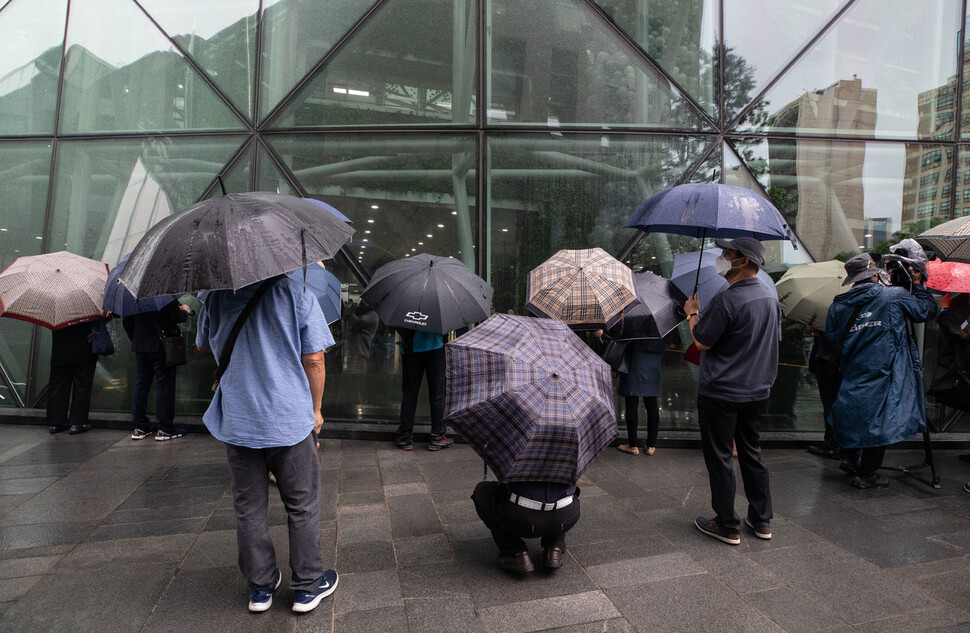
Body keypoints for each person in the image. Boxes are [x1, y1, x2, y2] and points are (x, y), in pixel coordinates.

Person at [196, 275, 338, 613]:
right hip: (287, 417)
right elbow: (315, 359)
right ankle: (306, 586)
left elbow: (202, 346)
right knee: (301, 503)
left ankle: (260, 587)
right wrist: (316, 410)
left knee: (249, 507)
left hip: (240, 417)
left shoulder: (214, 297)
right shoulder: (297, 292)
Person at [683, 236, 780, 545]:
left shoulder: (727, 300)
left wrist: (692, 313)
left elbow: (702, 341)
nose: (721, 258)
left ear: (744, 261)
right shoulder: (769, 298)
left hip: (721, 392)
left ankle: (727, 524)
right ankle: (761, 519)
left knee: (721, 456)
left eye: (727, 254)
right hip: (757, 390)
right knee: (752, 453)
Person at [825, 252, 938, 489]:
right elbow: (925, 312)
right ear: (877, 274)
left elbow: (833, 338)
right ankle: (866, 474)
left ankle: (849, 459)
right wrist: (916, 285)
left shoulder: (838, 304)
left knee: (852, 411)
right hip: (884, 370)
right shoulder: (894, 296)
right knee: (879, 420)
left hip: (853, 369)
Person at [472, 479, 580, 574]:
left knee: (482, 491)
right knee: (563, 496)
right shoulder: (569, 456)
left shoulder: (522, 457)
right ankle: (554, 548)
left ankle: (516, 553)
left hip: (524, 519)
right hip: (566, 516)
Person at [122, 300, 190, 441]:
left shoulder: (133, 295)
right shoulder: (163, 293)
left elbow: (127, 321)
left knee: (141, 385)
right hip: (161, 345)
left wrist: (136, 339)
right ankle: (165, 428)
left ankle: (140, 427)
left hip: (140, 345)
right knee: (164, 385)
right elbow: (174, 317)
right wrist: (185, 311)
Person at [395, 327, 453, 451]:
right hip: (435, 346)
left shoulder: (406, 307)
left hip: (411, 348)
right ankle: (437, 437)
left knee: (410, 394)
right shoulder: (438, 307)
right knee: (437, 393)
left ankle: (405, 437)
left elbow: (399, 327)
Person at [47, 319, 103, 435]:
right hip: (82, 350)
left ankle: (56, 423)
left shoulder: (57, 306)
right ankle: (78, 423)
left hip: (60, 352)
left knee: (58, 385)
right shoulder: (86, 305)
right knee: (82, 386)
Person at [617, 338, 665, 456]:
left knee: (632, 401)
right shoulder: (662, 322)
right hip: (654, 361)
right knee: (651, 402)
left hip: (635, 358)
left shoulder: (635, 320)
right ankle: (651, 446)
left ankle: (633, 445)